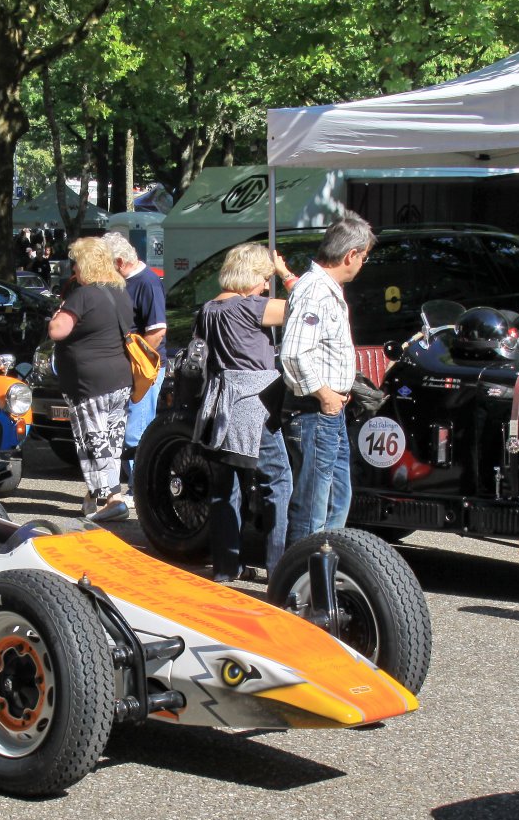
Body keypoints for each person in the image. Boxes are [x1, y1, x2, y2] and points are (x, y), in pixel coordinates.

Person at [191, 244, 295, 582]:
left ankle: (226, 568)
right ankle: (280, 571)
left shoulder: (208, 310)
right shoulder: (251, 308)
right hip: (254, 408)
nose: (266, 286)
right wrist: (286, 273)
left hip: (218, 408)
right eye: (264, 278)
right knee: (278, 482)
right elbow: (305, 305)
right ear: (250, 276)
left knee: (225, 489)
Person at [280, 214, 374, 543]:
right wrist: (325, 395)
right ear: (351, 255)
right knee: (314, 509)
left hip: (327, 412)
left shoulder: (323, 289)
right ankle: (302, 573)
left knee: (335, 501)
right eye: (364, 257)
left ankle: (322, 569)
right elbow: (294, 353)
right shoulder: (315, 291)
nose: (362, 264)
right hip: (315, 411)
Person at [48, 236, 135, 522]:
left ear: (85, 264)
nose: (73, 269)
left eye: (75, 263)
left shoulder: (83, 296)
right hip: (119, 379)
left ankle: (113, 499)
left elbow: (57, 330)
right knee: (111, 440)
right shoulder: (120, 293)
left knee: (94, 440)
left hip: (89, 382)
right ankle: (95, 495)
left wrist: (59, 311)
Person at [102, 232, 167, 501]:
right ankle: (135, 487)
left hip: (143, 370)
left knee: (136, 432)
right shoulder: (121, 282)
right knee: (125, 429)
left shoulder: (147, 283)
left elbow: (157, 331)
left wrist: (137, 360)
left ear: (119, 262)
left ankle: (140, 490)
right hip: (126, 367)